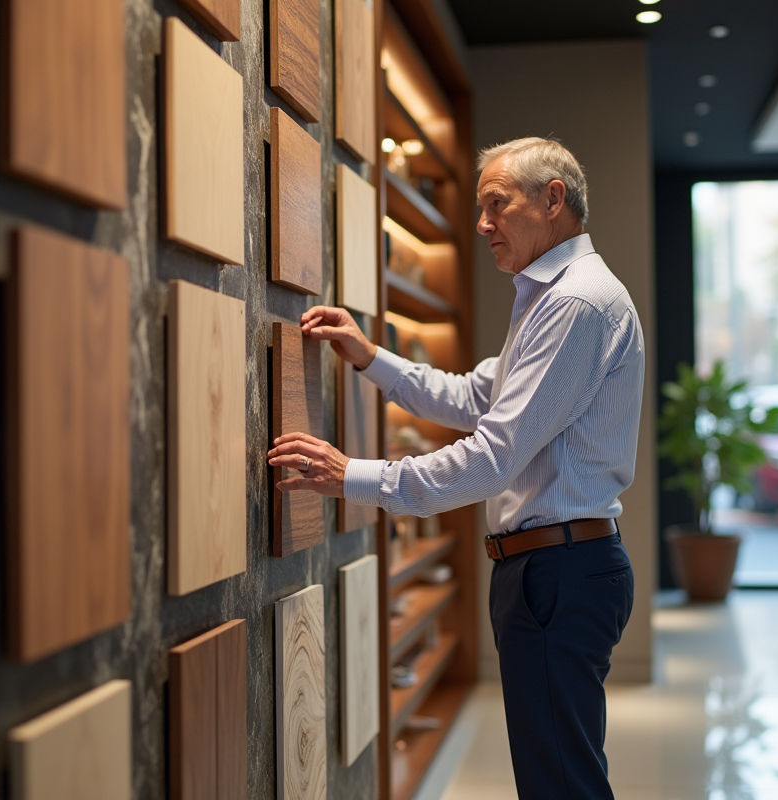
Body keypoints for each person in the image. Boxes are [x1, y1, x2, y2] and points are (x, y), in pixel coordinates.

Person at [267, 137, 644, 800]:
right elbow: (476, 396)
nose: (482, 226)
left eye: (497, 205)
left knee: (562, 785)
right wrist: (369, 356)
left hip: (558, 572)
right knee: (558, 778)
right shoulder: (552, 298)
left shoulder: (575, 304)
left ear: (554, 198)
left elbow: (493, 456)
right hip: (552, 568)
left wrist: (352, 476)